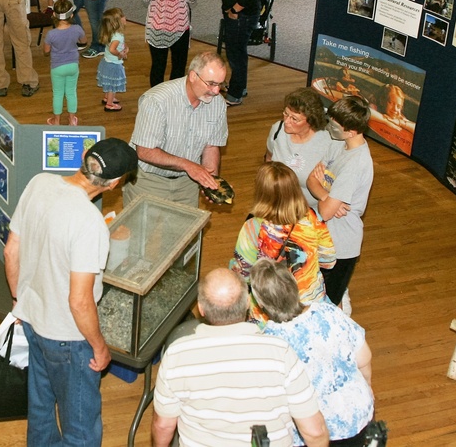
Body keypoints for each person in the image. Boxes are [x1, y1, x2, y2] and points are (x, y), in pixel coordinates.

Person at [4, 137, 139, 447]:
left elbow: (11, 252)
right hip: (67, 338)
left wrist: (18, 303)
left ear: (83, 156)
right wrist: (99, 346)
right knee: (80, 429)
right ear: (115, 184)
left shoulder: (40, 183)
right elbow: (79, 301)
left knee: (40, 407)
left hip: (33, 319)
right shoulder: (90, 223)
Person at [151, 268, 329, 447]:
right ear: (247, 304)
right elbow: (315, 432)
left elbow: (163, 426)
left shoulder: (176, 356)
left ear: (201, 308)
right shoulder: (280, 353)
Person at [251, 258, 375, 445]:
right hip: (360, 415)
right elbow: (364, 358)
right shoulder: (328, 312)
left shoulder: (268, 342)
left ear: (260, 303)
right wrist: (367, 389)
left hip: (317, 433)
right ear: (295, 286)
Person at [124, 51, 228, 207]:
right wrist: (188, 165)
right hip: (148, 181)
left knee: (184, 232)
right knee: (140, 231)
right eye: (211, 83)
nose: (216, 91)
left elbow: (211, 146)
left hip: (187, 184)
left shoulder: (217, 104)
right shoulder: (157, 100)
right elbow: (145, 151)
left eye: (220, 84)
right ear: (193, 76)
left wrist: (211, 183)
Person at [229, 162, 335, 306]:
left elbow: (243, 273)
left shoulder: (253, 227)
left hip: (270, 307)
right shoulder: (312, 217)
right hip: (310, 305)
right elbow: (328, 260)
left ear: (262, 192)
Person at [307, 95, 374, 307]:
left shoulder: (356, 164)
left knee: (326, 306)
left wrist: (326, 200)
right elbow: (311, 179)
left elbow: (326, 212)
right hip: (321, 239)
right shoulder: (338, 144)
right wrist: (328, 197)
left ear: (352, 131)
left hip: (341, 247)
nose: (329, 127)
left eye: (335, 124)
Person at [265, 87, 339, 208]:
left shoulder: (329, 142)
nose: (287, 121)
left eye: (294, 118)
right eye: (285, 113)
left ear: (311, 121)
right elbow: (268, 159)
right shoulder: (277, 130)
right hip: (279, 206)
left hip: (312, 212)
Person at [43, 0, 84, 126]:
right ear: (72, 15)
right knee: (71, 92)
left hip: (57, 67)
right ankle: (72, 120)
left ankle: (56, 121)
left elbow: (46, 51)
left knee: (58, 94)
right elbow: (84, 42)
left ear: (54, 14)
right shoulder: (77, 29)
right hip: (73, 65)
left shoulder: (51, 34)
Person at [97, 7, 128, 112]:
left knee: (109, 82)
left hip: (107, 61)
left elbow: (116, 45)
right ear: (116, 22)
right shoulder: (118, 36)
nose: (125, 17)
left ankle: (107, 98)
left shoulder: (112, 32)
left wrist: (124, 48)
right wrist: (120, 54)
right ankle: (109, 104)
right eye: (122, 16)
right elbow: (112, 49)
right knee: (112, 85)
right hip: (114, 64)